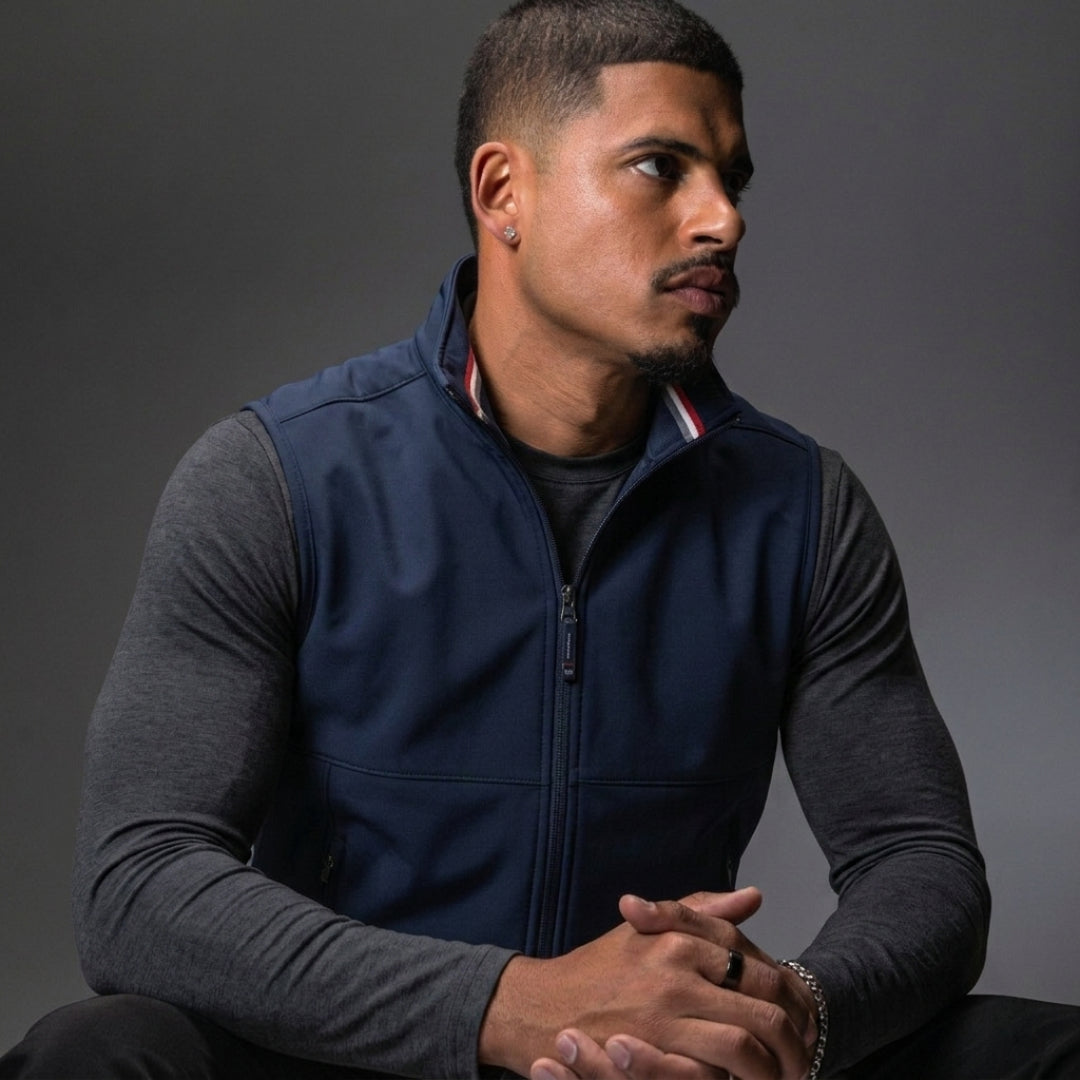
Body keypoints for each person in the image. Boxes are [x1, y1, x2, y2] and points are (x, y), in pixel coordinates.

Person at [2, 1, 1078, 1078]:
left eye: (732, 181)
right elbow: (137, 883)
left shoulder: (802, 509)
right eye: (662, 167)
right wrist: (506, 1004)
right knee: (95, 1053)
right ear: (502, 192)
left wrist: (789, 1010)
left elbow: (919, 861)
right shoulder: (278, 478)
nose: (722, 221)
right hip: (356, 1059)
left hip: (664, 1072)